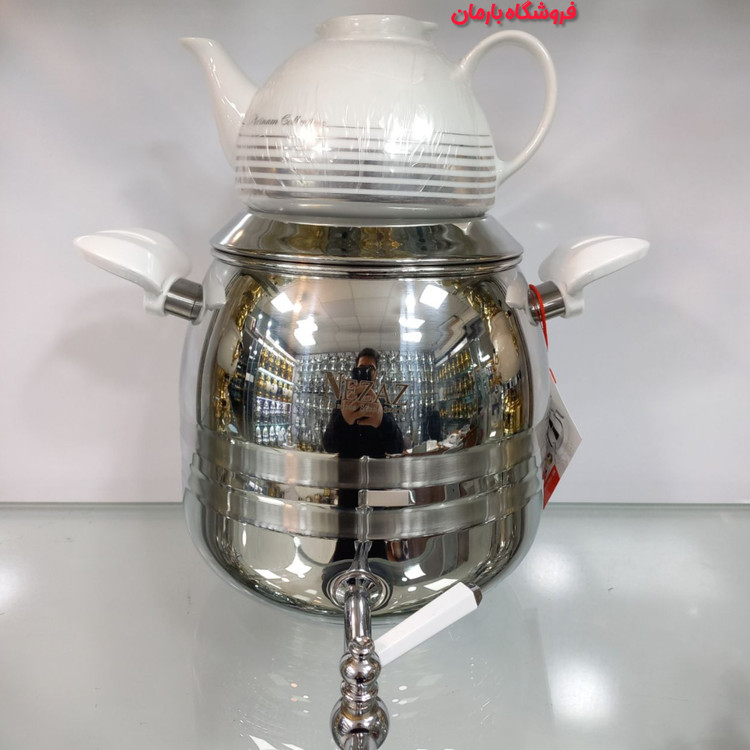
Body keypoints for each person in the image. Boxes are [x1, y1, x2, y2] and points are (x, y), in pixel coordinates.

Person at [323, 348, 404, 459]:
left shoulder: (382, 404)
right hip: (347, 468)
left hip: (376, 468)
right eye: (361, 368)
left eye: (371, 368)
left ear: (376, 374)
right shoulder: (343, 402)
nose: (365, 371)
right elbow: (329, 446)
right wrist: (343, 420)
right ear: (355, 371)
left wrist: (382, 421)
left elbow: (398, 448)